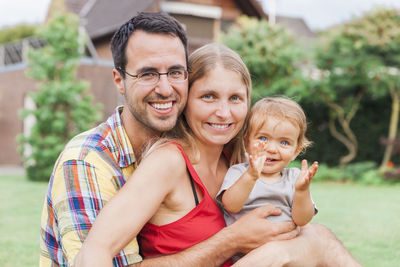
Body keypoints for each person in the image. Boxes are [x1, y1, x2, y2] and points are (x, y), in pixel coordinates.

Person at [40, 12, 298, 267]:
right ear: (119, 80)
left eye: (175, 72)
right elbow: (94, 257)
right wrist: (232, 241)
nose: (164, 89)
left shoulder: (233, 157)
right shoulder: (87, 161)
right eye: (148, 73)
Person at [218, 97, 318, 228]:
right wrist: (251, 176)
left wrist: (301, 191)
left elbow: (302, 220)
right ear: (246, 143)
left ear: (296, 151)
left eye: (284, 142)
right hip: (246, 245)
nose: (271, 149)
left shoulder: (294, 178)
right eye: (263, 138)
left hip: (285, 244)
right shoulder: (239, 172)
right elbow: (231, 206)